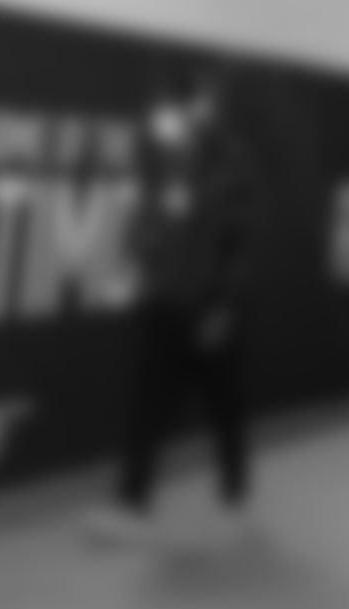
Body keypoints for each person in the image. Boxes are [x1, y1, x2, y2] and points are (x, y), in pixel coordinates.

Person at [89, 71, 261, 553]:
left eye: (171, 114)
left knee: (225, 408)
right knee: (144, 406)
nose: (162, 123)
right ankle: (132, 505)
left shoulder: (232, 164)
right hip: (159, 302)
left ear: (197, 114)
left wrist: (223, 305)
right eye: (160, 115)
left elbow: (240, 243)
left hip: (209, 306)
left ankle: (235, 500)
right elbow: (147, 220)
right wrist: (133, 260)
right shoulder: (158, 160)